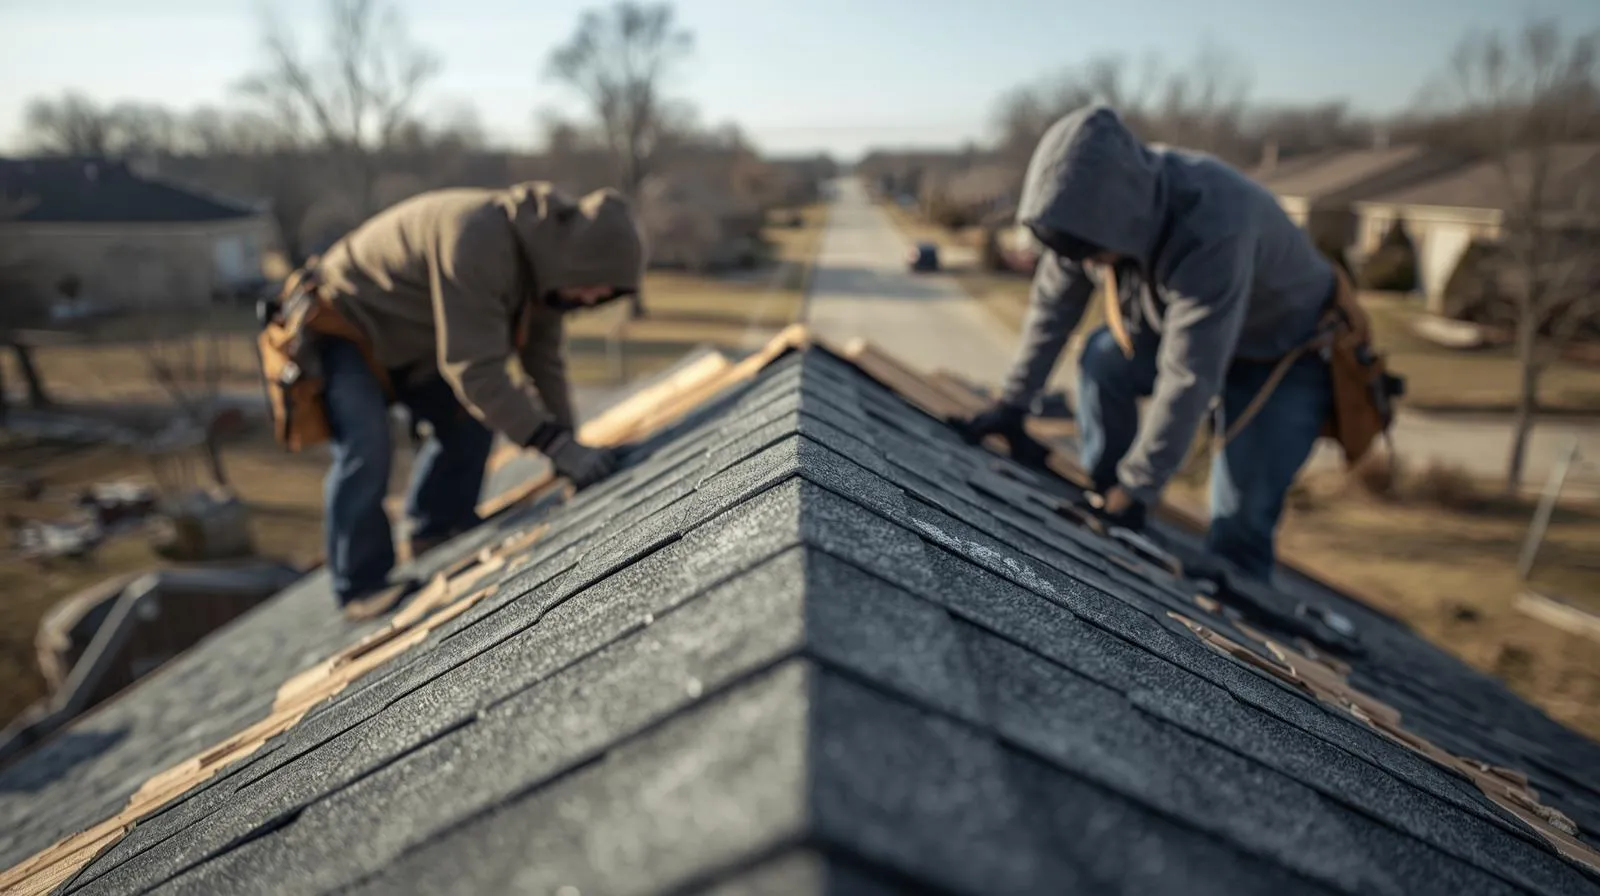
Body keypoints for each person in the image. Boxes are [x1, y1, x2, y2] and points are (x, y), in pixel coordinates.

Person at [959, 105, 1339, 583]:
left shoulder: (1213, 221)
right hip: (1190, 330)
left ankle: (1235, 601)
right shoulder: (1082, 210)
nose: (1087, 263)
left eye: (1093, 253)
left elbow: (1189, 374)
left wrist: (1140, 487)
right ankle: (1104, 488)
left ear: (1124, 220)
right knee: (1102, 359)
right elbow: (1052, 311)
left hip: (1286, 354)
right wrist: (1012, 404)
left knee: (1238, 514)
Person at [306, 182, 645, 619]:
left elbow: (544, 363)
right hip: (344, 322)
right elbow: (474, 369)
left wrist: (569, 445)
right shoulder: (479, 240)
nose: (598, 300)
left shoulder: (543, 271)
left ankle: (437, 526)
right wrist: (555, 445)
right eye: (600, 287)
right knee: (366, 444)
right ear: (578, 263)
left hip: (410, 337)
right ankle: (358, 585)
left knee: (474, 411)